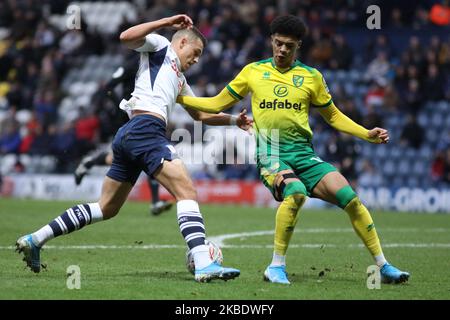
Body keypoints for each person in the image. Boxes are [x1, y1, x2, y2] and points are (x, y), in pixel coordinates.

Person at [16, 14, 252, 283]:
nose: (196, 60)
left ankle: (36, 239)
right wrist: (166, 23)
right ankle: (203, 264)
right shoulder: (161, 46)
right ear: (183, 41)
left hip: (129, 134)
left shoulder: (179, 79)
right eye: (195, 53)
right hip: (145, 129)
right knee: (186, 190)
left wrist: (234, 120)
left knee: (106, 207)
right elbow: (126, 37)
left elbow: (200, 115)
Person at [177, 15, 409, 285]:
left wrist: (366, 134)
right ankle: (275, 266)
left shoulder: (311, 77)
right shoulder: (253, 72)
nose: (282, 50)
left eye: (289, 45)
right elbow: (217, 102)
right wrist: (179, 96)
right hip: (271, 153)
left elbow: (332, 116)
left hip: (304, 154)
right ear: (271, 42)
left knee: (351, 199)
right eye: (278, 43)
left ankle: (383, 265)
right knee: (296, 193)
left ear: (298, 45)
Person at [73, 54, 172, 216]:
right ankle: (90, 161)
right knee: (147, 153)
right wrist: (121, 106)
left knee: (151, 153)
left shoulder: (157, 68)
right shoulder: (132, 65)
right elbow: (108, 87)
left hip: (147, 116)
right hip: (130, 116)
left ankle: (155, 202)